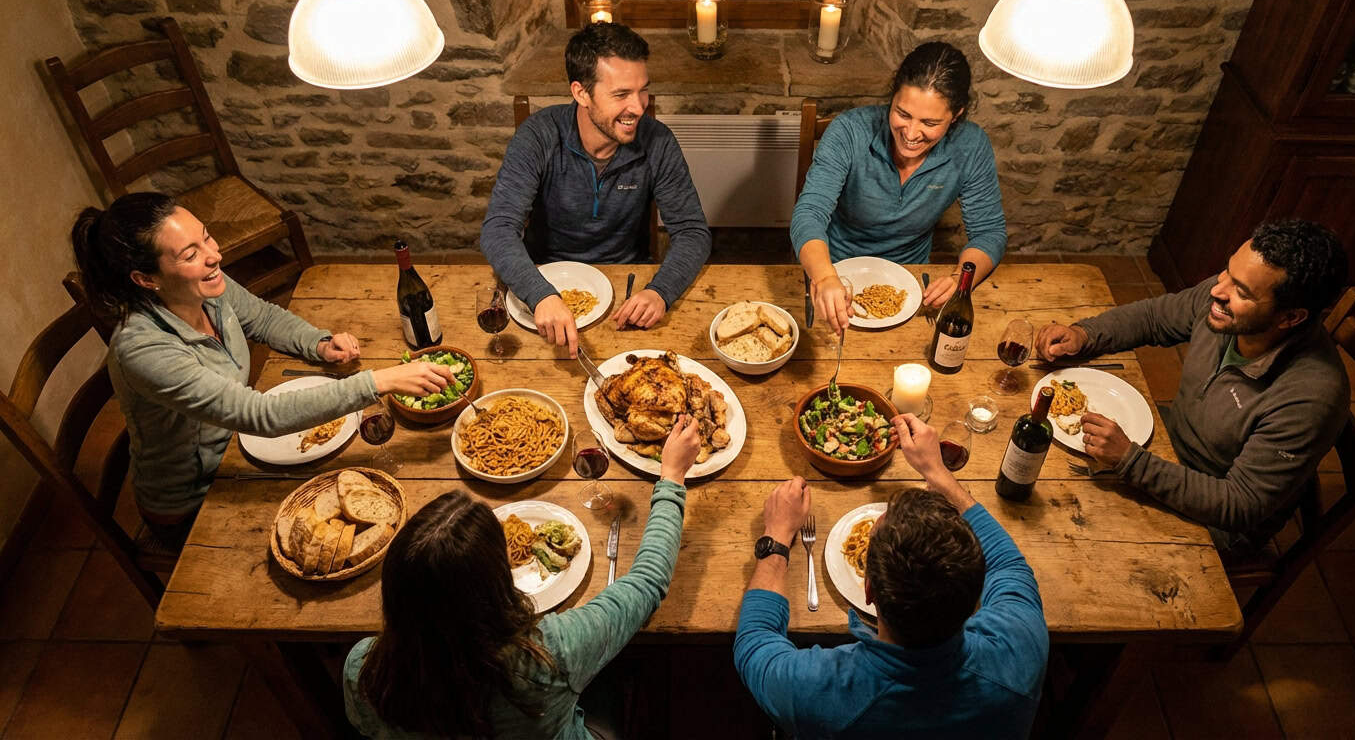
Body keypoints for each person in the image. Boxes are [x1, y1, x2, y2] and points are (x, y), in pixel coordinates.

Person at [71, 193, 451, 545]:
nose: (213, 255)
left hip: (242, 448)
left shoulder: (202, 285)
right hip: (198, 500)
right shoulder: (143, 350)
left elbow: (263, 318)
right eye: (190, 253)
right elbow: (260, 414)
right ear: (146, 279)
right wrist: (378, 380)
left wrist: (318, 343)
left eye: (207, 238)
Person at [344, 415, 700, 739]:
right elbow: (648, 580)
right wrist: (671, 478)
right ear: (495, 584)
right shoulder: (551, 652)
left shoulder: (362, 669)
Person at [1035, 218, 1350, 555]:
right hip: (1167, 445)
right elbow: (1155, 317)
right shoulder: (1224, 300)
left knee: (1077, 543)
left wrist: (1130, 461)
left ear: (1291, 318)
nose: (1217, 290)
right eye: (1228, 271)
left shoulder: (1311, 399)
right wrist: (1084, 335)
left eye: (1241, 291)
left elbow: (1239, 504)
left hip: (1216, 518)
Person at [733, 415, 1048, 739]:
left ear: (868, 589)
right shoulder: (1022, 650)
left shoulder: (822, 693)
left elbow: (754, 645)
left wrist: (777, 537)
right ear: (974, 595)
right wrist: (940, 475)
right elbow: (1010, 565)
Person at [481, 22, 712, 356]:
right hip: (542, 285)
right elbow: (498, 229)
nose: (638, 106)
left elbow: (692, 231)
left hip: (627, 286)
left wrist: (660, 291)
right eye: (621, 95)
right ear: (581, 93)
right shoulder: (539, 136)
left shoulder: (658, 141)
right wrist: (541, 294)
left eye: (642, 89)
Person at [792, 40, 1007, 333]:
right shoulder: (849, 130)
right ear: (891, 98)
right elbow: (809, 213)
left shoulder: (971, 146)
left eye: (930, 123)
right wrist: (825, 277)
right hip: (834, 268)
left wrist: (960, 281)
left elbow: (989, 233)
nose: (911, 133)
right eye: (902, 114)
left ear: (956, 115)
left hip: (911, 281)